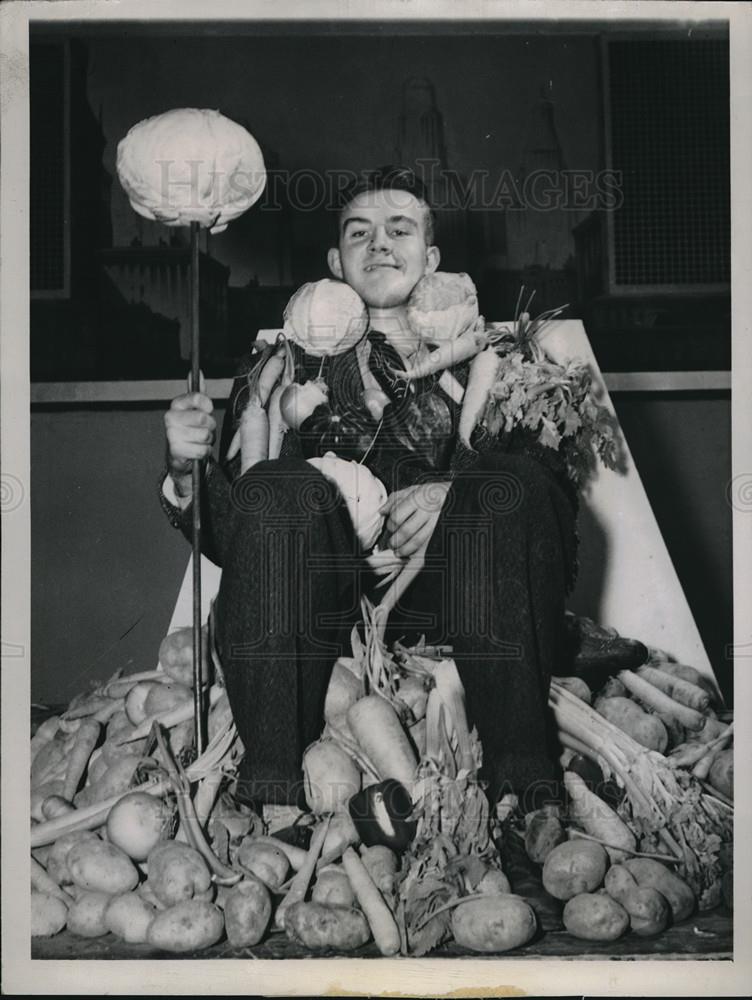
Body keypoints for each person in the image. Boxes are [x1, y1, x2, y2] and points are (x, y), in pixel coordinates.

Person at [159, 166, 578, 814]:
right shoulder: (277, 366)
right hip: (315, 622)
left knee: (516, 480)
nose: (379, 245)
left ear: (431, 255)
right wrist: (187, 473)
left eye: (399, 229)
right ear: (335, 260)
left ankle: (525, 787)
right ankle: (275, 793)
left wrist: (456, 495)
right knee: (275, 489)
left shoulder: (492, 361)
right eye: (360, 232)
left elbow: (544, 501)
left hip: (450, 607)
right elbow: (232, 534)